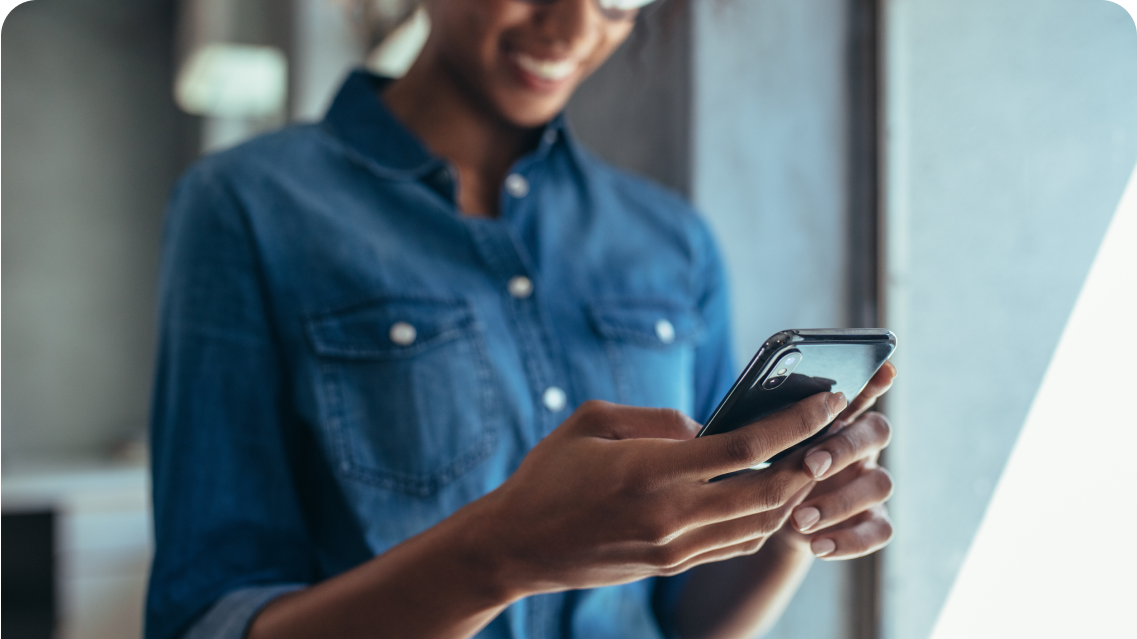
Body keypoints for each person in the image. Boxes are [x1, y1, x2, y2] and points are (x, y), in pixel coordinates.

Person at [145, 1, 897, 638]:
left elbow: (679, 611)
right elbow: (208, 616)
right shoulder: (247, 205)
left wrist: (786, 512)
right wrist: (501, 553)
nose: (572, 28)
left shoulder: (670, 239)